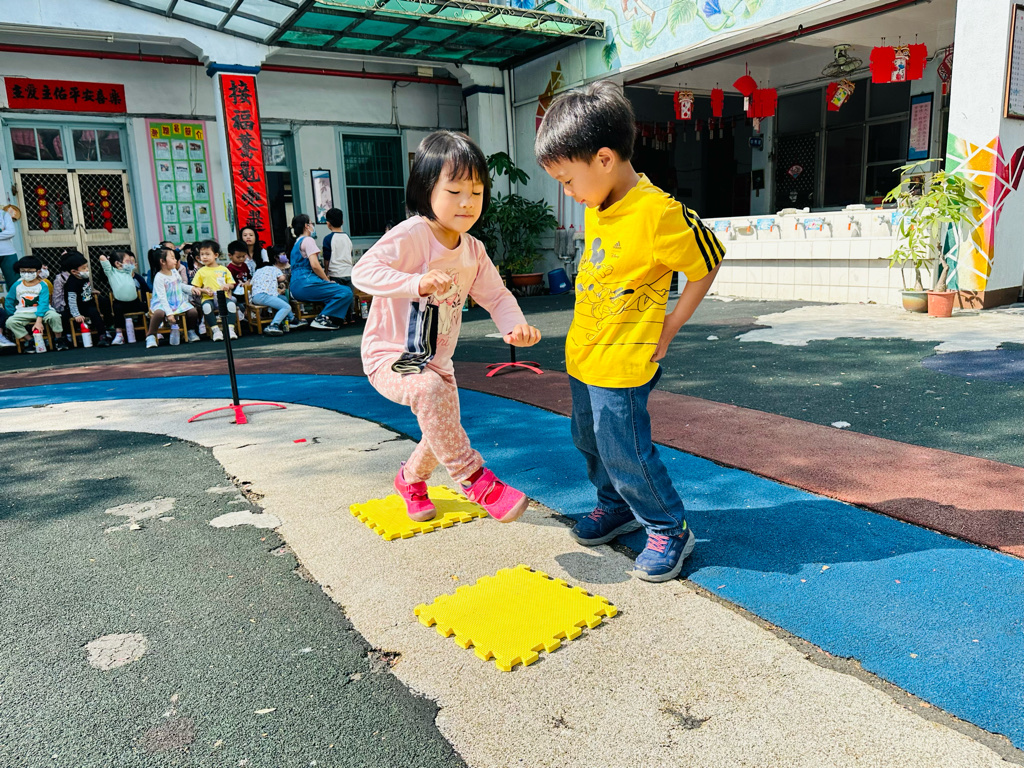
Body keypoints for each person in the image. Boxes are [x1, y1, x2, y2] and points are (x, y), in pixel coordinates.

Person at [535, 81, 725, 582]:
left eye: (567, 179)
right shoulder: (597, 204)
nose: (567, 192)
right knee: (587, 436)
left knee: (624, 447)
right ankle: (615, 505)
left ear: (603, 159)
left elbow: (708, 260)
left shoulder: (657, 212)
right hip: (585, 354)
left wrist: (672, 322)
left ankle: (667, 526)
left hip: (625, 359)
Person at [352, 130, 542, 524]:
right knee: (429, 394)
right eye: (454, 191)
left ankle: (409, 480)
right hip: (391, 356)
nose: (467, 202)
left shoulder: (472, 250)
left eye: (476, 192)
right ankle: (475, 479)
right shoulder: (413, 235)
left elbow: (497, 295)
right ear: (426, 189)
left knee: (440, 427)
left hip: (437, 361)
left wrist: (515, 326)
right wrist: (415, 282)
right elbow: (363, 272)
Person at [288, 214, 353, 331]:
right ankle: (323, 318)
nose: (313, 226)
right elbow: (315, 265)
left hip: (295, 286)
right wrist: (327, 280)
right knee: (345, 291)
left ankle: (327, 318)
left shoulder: (296, 243)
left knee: (331, 294)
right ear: (306, 226)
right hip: (307, 282)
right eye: (311, 223)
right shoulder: (308, 240)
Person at [4, 255, 67, 351]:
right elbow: (9, 300)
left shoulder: (43, 285)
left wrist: (39, 321)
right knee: (10, 322)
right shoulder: (17, 285)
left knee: (55, 317)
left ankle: (58, 339)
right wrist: (12, 314)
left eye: (30, 271)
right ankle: (31, 340)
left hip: (44, 311)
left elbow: (43, 303)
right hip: (23, 312)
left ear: (38, 272)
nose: (26, 274)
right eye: (23, 271)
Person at [147, 246, 200, 348]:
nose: (176, 260)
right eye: (172, 258)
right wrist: (169, 313)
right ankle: (151, 335)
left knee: (193, 311)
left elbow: (179, 285)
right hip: (163, 304)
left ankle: (190, 331)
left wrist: (191, 288)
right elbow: (162, 298)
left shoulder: (175, 272)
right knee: (159, 313)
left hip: (177, 302)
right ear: (162, 261)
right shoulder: (159, 277)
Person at [190, 239, 238, 342]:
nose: (204, 257)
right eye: (202, 254)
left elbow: (232, 284)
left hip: (223, 297)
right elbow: (195, 288)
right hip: (208, 298)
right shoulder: (201, 271)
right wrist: (204, 290)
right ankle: (216, 331)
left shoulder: (224, 269)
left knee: (231, 305)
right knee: (206, 307)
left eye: (207, 254)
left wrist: (227, 286)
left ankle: (230, 329)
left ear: (216, 255)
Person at [62, 251, 112, 347]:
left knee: (96, 311)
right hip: (78, 307)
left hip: (88, 304)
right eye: (84, 268)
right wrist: (76, 314)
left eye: (86, 267)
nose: (87, 270)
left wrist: (91, 291)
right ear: (74, 271)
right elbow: (71, 300)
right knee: (63, 315)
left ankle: (103, 334)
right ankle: (67, 337)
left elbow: (83, 289)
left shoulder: (83, 277)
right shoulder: (71, 283)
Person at [100, 250, 147, 345]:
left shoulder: (128, 271)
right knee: (117, 310)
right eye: (127, 261)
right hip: (120, 302)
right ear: (118, 263)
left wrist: (129, 264)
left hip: (135, 302)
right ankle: (119, 335)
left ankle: (155, 330)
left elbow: (133, 266)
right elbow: (102, 257)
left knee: (147, 308)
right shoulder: (111, 272)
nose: (130, 263)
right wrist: (109, 258)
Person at [250, 260, 304, 336]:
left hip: (256, 297)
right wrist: (276, 280)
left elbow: (251, 284)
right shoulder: (274, 269)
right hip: (265, 295)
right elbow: (282, 278)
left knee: (283, 299)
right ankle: (273, 325)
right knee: (286, 307)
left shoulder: (257, 271)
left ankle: (292, 319)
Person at [322, 208, 353, 289]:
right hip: (349, 273)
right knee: (349, 295)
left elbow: (327, 258)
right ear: (342, 222)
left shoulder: (328, 239)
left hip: (335, 275)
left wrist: (326, 273)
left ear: (328, 224)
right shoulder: (347, 238)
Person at [226, 240, 254, 309]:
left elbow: (249, 276)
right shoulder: (229, 268)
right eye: (238, 257)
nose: (241, 259)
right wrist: (241, 285)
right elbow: (230, 283)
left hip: (247, 292)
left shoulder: (244, 265)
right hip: (237, 294)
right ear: (230, 255)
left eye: (243, 256)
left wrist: (249, 281)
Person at [0, 205, 19, 290]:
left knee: (14, 283)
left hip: (8, 254)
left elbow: (11, 232)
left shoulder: (4, 214)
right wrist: (3, 233)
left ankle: (15, 299)